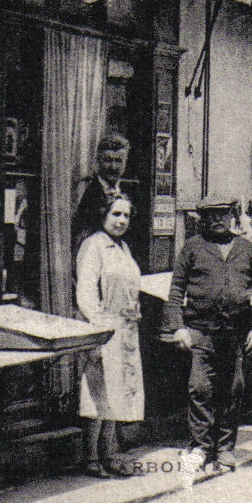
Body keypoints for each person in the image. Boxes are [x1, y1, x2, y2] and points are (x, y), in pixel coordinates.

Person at [164, 198, 252, 472]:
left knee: (232, 390)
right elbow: (175, 292)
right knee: (201, 389)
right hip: (201, 333)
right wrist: (179, 327)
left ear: (233, 216)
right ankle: (201, 448)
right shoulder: (193, 248)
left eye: (224, 214)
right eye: (212, 215)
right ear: (203, 219)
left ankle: (225, 448)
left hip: (235, 335)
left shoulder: (245, 249)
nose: (218, 220)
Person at [75, 193, 145, 478]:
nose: (121, 220)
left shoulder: (124, 248)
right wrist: (96, 333)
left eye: (126, 215)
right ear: (103, 215)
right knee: (97, 394)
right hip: (103, 328)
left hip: (125, 330)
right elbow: (86, 294)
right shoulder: (93, 246)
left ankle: (110, 453)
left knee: (115, 393)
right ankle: (91, 457)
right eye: (116, 214)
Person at [73, 132, 131, 248]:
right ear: (98, 161)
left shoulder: (130, 192)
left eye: (118, 160)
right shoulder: (88, 192)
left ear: (125, 162)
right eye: (108, 160)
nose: (113, 167)